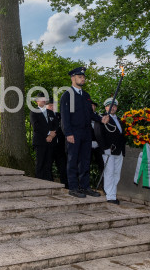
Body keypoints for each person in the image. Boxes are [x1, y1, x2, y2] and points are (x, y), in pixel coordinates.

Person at [60, 67, 109, 198]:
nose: (83, 79)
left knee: (85, 160)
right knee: (73, 160)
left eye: (83, 77)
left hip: (86, 133)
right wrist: (68, 133)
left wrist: (101, 119)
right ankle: (74, 187)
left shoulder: (86, 96)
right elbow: (64, 117)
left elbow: (90, 114)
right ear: (73, 78)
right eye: (80, 77)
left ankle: (85, 186)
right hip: (73, 133)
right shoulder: (67, 95)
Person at [94, 98, 126, 205]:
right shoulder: (102, 118)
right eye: (110, 106)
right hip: (108, 150)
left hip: (119, 151)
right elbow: (98, 134)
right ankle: (110, 196)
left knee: (117, 173)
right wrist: (105, 148)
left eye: (114, 106)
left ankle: (113, 193)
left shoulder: (119, 120)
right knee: (109, 173)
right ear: (106, 107)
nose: (112, 108)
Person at [30, 96, 58, 181]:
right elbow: (36, 126)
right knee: (40, 163)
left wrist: (52, 135)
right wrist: (48, 133)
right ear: (37, 101)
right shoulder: (33, 112)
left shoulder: (50, 112)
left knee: (49, 163)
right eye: (41, 99)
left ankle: (49, 181)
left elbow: (56, 125)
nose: (43, 100)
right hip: (40, 141)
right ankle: (39, 181)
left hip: (51, 142)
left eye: (44, 99)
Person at [46, 99, 68, 188]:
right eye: (50, 105)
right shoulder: (44, 116)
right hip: (49, 145)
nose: (52, 107)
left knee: (63, 167)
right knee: (48, 166)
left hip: (61, 147)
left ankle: (66, 185)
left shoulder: (60, 116)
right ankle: (49, 185)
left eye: (54, 105)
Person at [90, 102, 105, 186]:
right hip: (87, 145)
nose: (91, 107)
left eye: (93, 106)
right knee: (85, 166)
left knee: (102, 166)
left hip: (99, 146)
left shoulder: (100, 117)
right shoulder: (83, 117)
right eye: (89, 105)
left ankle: (104, 186)